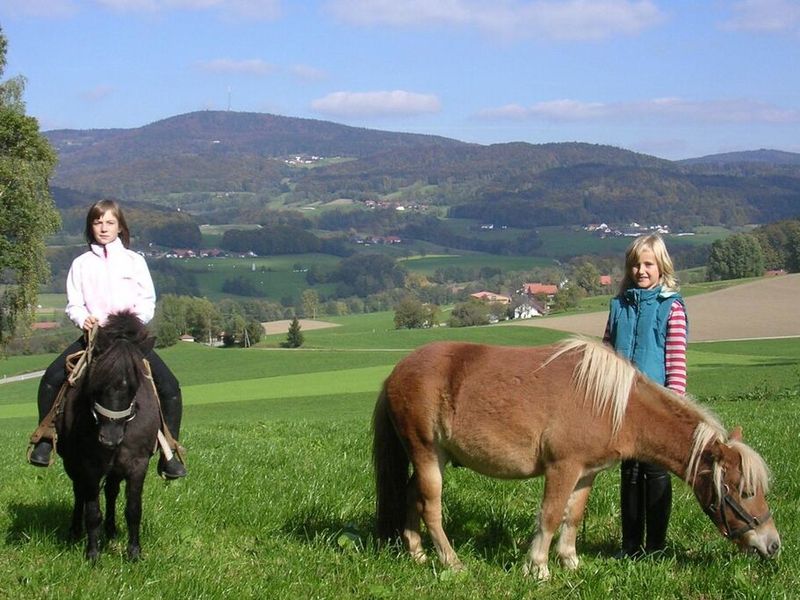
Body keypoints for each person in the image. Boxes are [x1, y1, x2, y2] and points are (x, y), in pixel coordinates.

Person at [29, 199, 187, 479]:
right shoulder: (81, 264)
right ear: (91, 226)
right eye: (98, 222)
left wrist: (133, 326)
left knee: (170, 386)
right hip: (95, 338)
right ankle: (46, 437)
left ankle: (169, 450)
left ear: (120, 227)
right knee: (52, 378)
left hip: (129, 339)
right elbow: (74, 303)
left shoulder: (134, 261)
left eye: (109, 222)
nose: (103, 228)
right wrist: (83, 319)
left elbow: (147, 301)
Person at [603, 233, 687, 557]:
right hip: (623, 406)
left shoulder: (672, 307)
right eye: (636, 264)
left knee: (655, 472)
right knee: (630, 474)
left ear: (661, 266)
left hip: (657, 407)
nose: (641, 270)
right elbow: (606, 354)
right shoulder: (619, 306)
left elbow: (676, 363)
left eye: (648, 264)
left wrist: (673, 406)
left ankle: (655, 546)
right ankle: (630, 545)